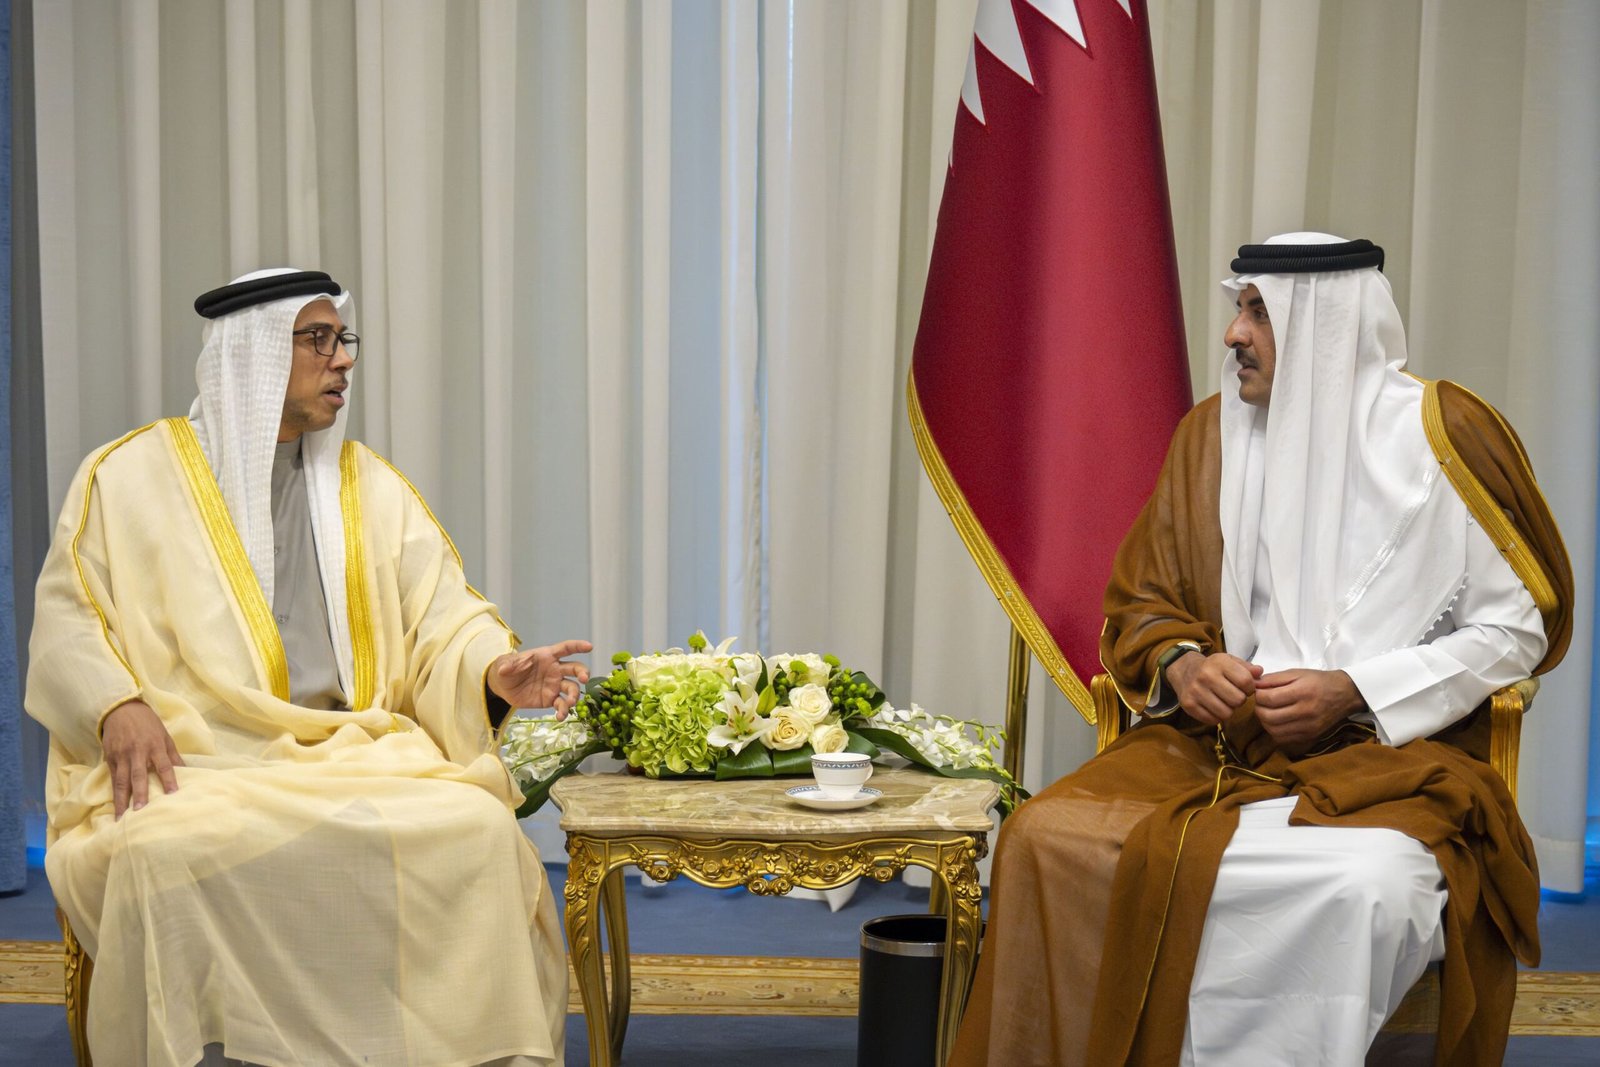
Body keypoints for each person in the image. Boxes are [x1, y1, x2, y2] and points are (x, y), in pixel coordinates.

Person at [950, 234, 1572, 1066]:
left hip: (1388, 756)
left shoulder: (1443, 436)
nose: (1233, 334)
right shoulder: (1211, 434)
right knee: (1040, 834)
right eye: (1237, 308)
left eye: (1256, 311)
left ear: (1325, 324)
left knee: (1359, 888)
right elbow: (1144, 599)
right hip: (1210, 747)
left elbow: (1517, 630)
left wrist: (1355, 687)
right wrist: (1182, 663)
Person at [27, 269, 588, 1067]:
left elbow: (441, 614)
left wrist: (492, 669)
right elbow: (69, 615)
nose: (343, 361)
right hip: (201, 762)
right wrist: (116, 702)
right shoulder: (126, 477)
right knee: (162, 851)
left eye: (342, 339)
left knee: (477, 831)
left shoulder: (368, 485)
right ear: (252, 354)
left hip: (355, 749)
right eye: (317, 340)